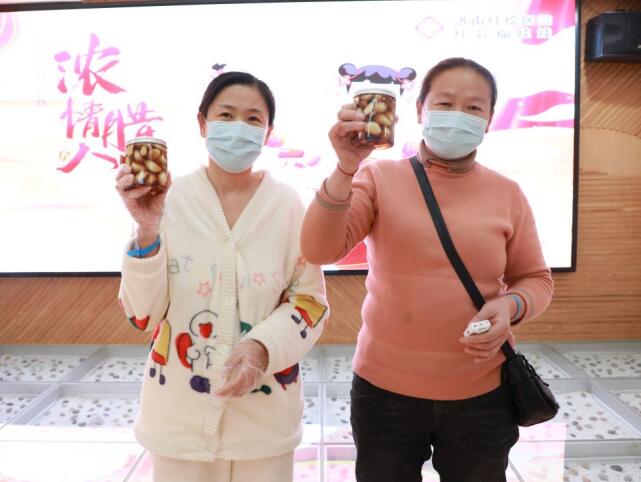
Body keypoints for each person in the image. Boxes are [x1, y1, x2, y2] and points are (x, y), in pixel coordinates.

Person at [300, 57, 554, 481]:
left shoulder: (507, 193)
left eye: (473, 107)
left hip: (481, 394)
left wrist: (510, 306)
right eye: (445, 103)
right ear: (420, 110)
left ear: (489, 119)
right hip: (383, 393)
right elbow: (319, 248)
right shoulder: (378, 178)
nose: (458, 115)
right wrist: (346, 167)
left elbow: (536, 280)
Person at [115, 71, 329, 482]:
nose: (239, 127)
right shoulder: (169, 200)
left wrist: (262, 347)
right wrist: (146, 230)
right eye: (226, 115)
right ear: (202, 123)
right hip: (177, 421)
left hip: (264, 424)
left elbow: (310, 301)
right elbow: (142, 315)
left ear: (268, 132)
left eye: (253, 119)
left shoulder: (288, 206)